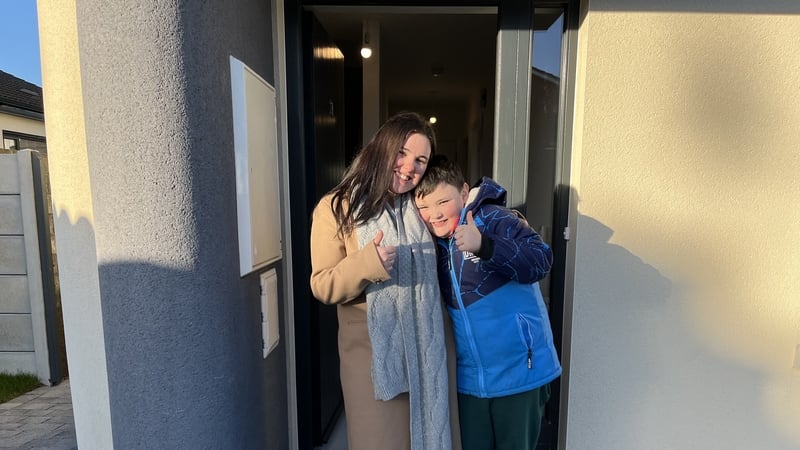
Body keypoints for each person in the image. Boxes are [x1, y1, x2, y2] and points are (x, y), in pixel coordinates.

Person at [309, 112, 461, 450]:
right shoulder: (336, 208)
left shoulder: (421, 205)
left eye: (421, 160)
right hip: (374, 364)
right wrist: (367, 264)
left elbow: (458, 212)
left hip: (430, 356)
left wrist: (504, 221)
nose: (409, 168)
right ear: (382, 148)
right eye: (402, 153)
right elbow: (322, 284)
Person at [414, 155, 561, 450]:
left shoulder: (495, 219)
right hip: (470, 383)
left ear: (464, 192)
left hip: (520, 374)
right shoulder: (430, 243)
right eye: (424, 207)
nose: (434, 214)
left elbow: (541, 260)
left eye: (443, 201)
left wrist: (485, 245)